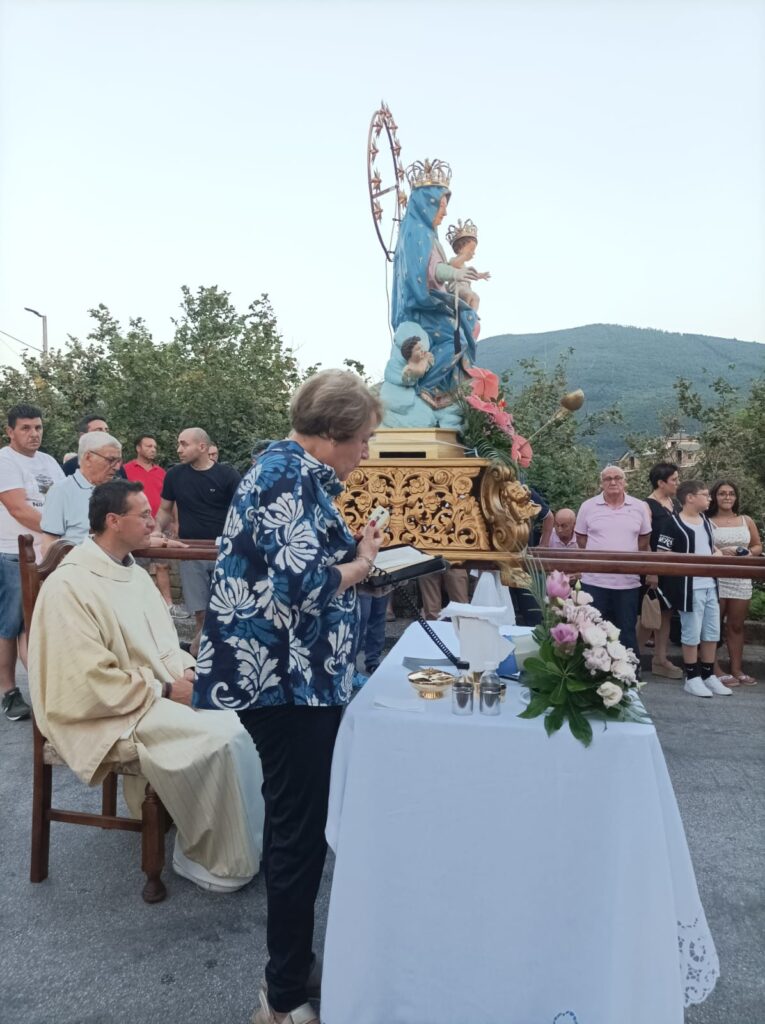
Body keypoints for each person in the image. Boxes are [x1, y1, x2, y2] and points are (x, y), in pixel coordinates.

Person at [193, 370, 384, 1024]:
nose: (366, 452)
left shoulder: (291, 473)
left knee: (293, 826)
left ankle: (293, 965)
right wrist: (362, 565)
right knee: (298, 834)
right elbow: (302, 586)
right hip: (285, 681)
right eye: (363, 438)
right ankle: (281, 999)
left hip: (294, 676)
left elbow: (298, 567)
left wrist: (355, 553)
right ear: (334, 432)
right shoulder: (286, 477)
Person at [28, 479, 264, 891]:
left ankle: (248, 840)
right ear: (114, 521)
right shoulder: (69, 585)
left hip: (147, 692)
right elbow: (84, 679)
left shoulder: (132, 573)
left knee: (246, 717)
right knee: (222, 738)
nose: (154, 523)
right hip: (103, 710)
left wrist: (187, 672)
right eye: (144, 515)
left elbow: (163, 644)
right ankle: (213, 861)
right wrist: (167, 691)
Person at [0, 403, 64, 722]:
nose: (34, 433)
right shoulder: (5, 461)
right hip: (13, 551)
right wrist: (60, 528)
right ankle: (9, 691)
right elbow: (19, 509)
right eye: (25, 428)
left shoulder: (49, 461)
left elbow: (63, 500)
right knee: (10, 625)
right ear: (10, 431)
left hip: (48, 552)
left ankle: (48, 692)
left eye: (38, 427)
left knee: (35, 623)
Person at [154, 428, 240, 653]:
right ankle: (201, 659)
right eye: (179, 444)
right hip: (190, 551)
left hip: (225, 552)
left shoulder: (228, 475)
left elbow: (242, 512)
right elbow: (165, 509)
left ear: (202, 447)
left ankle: (221, 655)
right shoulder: (174, 475)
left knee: (226, 610)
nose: (178, 449)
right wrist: (156, 530)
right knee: (200, 613)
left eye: (184, 444)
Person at [656, 480, 733, 698]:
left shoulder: (706, 522)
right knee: (691, 631)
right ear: (690, 497)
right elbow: (662, 553)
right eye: (705, 494)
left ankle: (708, 675)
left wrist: (718, 553)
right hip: (689, 587)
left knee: (711, 632)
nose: (709, 498)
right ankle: (692, 677)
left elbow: (710, 548)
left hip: (710, 585)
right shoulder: (672, 523)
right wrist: (694, 559)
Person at [575, 466, 651, 658]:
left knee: (626, 631)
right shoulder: (588, 506)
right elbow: (581, 540)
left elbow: (643, 541)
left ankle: (630, 672)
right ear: (601, 483)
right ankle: (593, 671)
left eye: (618, 478)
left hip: (628, 583)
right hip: (594, 582)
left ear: (625, 482)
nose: (613, 482)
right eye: (608, 478)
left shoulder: (639, 506)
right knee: (592, 632)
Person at [123, 433, 186, 616]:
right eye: (149, 446)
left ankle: (168, 605)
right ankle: (138, 605)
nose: (153, 450)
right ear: (138, 448)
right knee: (136, 565)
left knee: (162, 565)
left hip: (159, 525)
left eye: (155, 447)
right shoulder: (126, 470)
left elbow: (171, 500)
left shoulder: (162, 472)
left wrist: (175, 522)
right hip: (136, 525)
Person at [708, 479, 762, 686]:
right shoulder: (706, 521)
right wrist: (720, 551)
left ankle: (737, 669)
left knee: (736, 625)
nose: (727, 497)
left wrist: (748, 552)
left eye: (731, 493)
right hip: (716, 577)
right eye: (722, 493)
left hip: (741, 577)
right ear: (714, 496)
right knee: (713, 625)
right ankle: (713, 668)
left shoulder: (746, 520)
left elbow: (757, 545)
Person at [40, 431, 123, 551]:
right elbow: (49, 544)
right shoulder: (62, 491)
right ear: (88, 457)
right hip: (76, 560)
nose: (117, 467)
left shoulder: (117, 490)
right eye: (111, 460)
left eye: (119, 461)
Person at [641, 462, 683, 679]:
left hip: (671, 566)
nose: (677, 483)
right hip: (654, 566)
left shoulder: (674, 503)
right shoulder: (647, 506)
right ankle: (630, 657)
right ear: (661, 482)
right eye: (674, 479)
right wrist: (652, 569)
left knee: (665, 613)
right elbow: (645, 540)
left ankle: (660, 658)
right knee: (647, 614)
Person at [446, 218, 491, 311]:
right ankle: (463, 310)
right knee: (468, 295)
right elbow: (454, 265)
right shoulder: (454, 260)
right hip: (457, 287)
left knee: (476, 297)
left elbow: (471, 274)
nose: (473, 253)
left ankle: (472, 314)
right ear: (460, 249)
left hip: (466, 287)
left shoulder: (464, 265)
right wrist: (464, 257)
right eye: (470, 250)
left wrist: (480, 275)